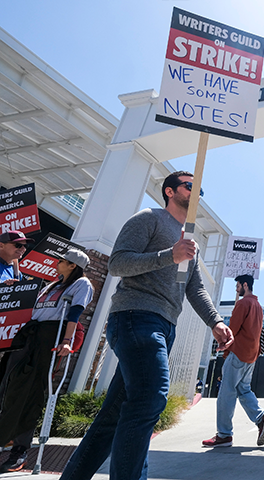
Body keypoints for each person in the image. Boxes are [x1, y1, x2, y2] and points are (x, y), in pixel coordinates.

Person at [60, 171, 234, 480]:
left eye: (200, 189)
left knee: (113, 416)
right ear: (169, 191)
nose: (196, 193)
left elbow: (194, 288)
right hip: (136, 317)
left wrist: (216, 321)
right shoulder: (148, 218)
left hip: (165, 326)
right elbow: (118, 263)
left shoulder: (189, 239)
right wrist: (170, 254)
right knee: (150, 398)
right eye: (189, 186)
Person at [0, 249, 93, 473]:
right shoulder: (51, 285)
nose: (57, 263)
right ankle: (8, 435)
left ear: (73, 265)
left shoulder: (82, 284)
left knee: (30, 393)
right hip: (29, 337)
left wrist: (68, 340)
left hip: (49, 339)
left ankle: (19, 451)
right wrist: (16, 288)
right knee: (8, 385)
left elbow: (74, 313)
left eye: (62, 260)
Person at [203, 274, 264, 448]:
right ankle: (261, 418)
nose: (236, 289)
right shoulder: (258, 305)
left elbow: (231, 329)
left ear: (245, 285)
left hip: (238, 354)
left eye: (238, 286)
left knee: (226, 394)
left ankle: (224, 435)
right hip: (251, 356)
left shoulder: (242, 303)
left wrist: (222, 347)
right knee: (243, 389)